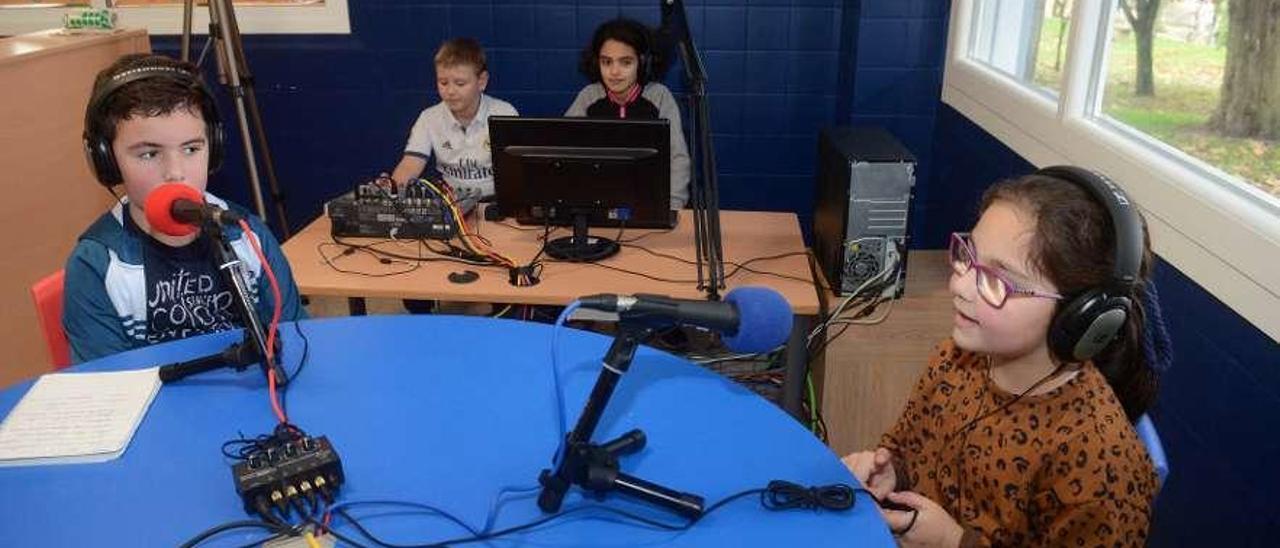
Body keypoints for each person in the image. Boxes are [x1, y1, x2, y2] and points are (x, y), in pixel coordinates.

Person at [843, 167, 1170, 547]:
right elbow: (908, 448)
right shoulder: (956, 360)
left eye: (998, 280)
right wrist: (892, 473)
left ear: (1081, 317)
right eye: (968, 256)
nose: (958, 283)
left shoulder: (1100, 461)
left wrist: (954, 542)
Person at [64, 53, 304, 363]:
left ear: (213, 147)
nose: (175, 172)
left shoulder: (246, 235)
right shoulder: (97, 265)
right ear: (106, 161)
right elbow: (108, 388)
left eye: (191, 149)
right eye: (149, 154)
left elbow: (295, 340)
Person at [565, 17, 691, 210]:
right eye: (607, 62)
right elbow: (564, 152)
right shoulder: (588, 97)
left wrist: (672, 205)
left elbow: (678, 158)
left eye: (625, 62)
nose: (614, 71)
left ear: (642, 62)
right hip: (595, 206)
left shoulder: (659, 97)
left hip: (652, 204)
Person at [389, 37, 518, 199]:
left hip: (496, 203)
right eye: (443, 83)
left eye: (460, 83)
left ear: (482, 81)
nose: (450, 91)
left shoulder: (505, 112)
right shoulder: (429, 118)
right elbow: (410, 165)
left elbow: (518, 171)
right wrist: (391, 195)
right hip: (452, 204)